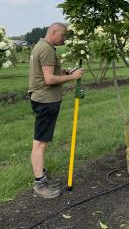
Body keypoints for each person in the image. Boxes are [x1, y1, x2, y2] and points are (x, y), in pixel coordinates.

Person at [29, 22, 84, 198]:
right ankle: (40, 184)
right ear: (53, 32)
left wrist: (65, 71)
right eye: (63, 35)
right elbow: (49, 79)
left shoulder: (42, 46)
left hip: (43, 99)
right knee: (40, 142)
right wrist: (73, 77)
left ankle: (41, 175)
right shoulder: (46, 49)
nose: (64, 38)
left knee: (40, 141)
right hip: (46, 101)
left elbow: (48, 72)